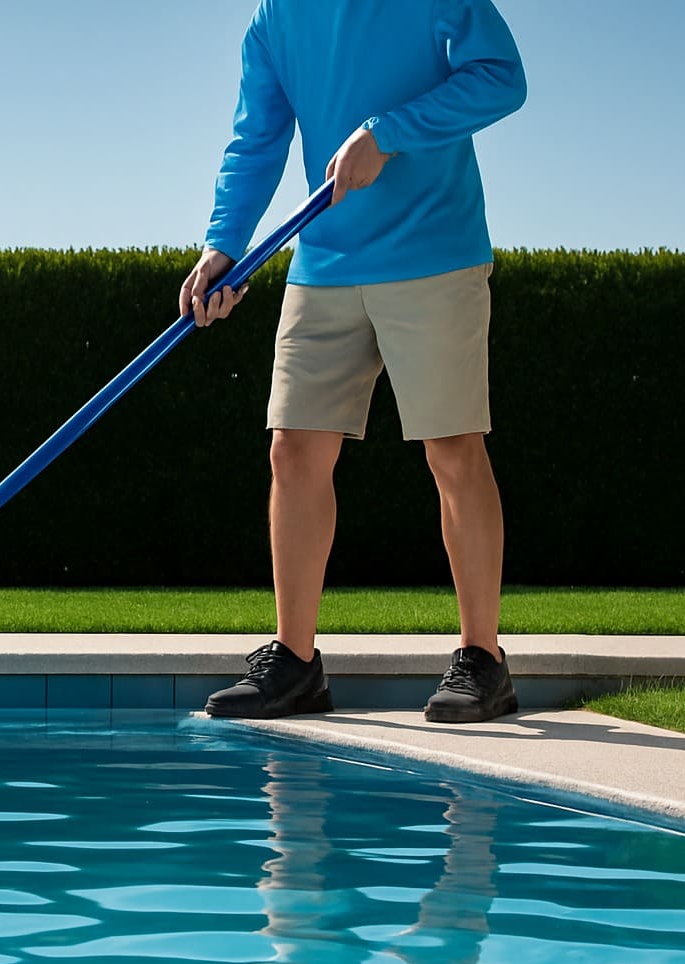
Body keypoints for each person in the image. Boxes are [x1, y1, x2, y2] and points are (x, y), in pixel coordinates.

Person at [182, 0, 527, 723]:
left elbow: (502, 77)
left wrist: (387, 133)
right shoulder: (276, 19)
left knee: (452, 450)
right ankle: (296, 664)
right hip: (324, 261)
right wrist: (225, 243)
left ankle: (483, 659)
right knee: (293, 449)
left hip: (434, 252)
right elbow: (257, 138)